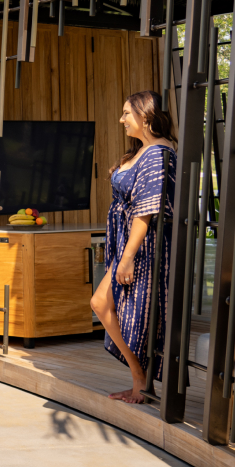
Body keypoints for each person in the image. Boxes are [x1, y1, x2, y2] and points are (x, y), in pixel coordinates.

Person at [90, 91, 177, 404]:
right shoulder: (144, 150)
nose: (121, 119)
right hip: (128, 244)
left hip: (144, 248)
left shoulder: (159, 153)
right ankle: (139, 378)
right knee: (103, 304)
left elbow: (146, 211)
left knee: (117, 308)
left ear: (146, 114)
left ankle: (141, 380)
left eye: (127, 113)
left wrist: (127, 258)